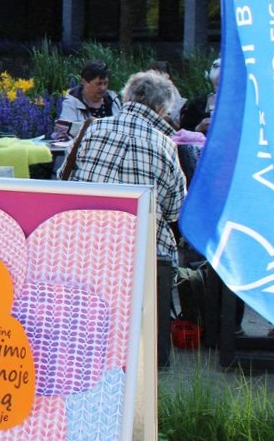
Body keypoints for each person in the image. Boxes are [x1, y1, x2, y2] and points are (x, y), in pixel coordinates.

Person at [68, 71, 186, 368]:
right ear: (162, 109)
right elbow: (175, 211)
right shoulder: (166, 146)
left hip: (86, 244)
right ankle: (146, 354)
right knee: (164, 243)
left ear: (126, 97)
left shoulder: (92, 130)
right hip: (142, 253)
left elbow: (65, 181)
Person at [52, 60, 122, 141]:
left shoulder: (113, 100)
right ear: (85, 82)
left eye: (105, 83)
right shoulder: (72, 103)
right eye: (98, 84)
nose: (103, 88)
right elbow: (61, 135)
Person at [179, 58, 221, 135]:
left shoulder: (244, 104)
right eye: (217, 83)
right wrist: (198, 128)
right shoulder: (201, 104)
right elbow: (182, 133)